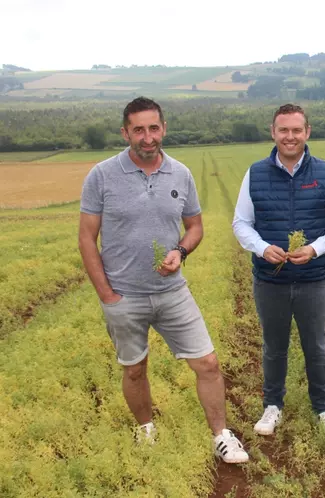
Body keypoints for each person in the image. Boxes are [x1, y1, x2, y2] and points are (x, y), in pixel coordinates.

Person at [78, 97, 248, 463]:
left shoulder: (181, 174)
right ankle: (146, 430)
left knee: (208, 364)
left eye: (153, 127)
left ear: (164, 128)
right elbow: (86, 239)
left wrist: (182, 252)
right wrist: (107, 295)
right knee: (135, 369)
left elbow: (195, 226)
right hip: (125, 296)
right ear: (125, 132)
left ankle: (221, 435)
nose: (147, 136)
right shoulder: (102, 175)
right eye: (138, 129)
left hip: (173, 292)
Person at [232, 103, 325, 436]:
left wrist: (314, 248)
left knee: (316, 346)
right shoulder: (255, 173)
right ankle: (273, 406)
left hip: (314, 280)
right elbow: (241, 223)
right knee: (274, 346)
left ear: (307, 132)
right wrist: (262, 248)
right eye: (283, 130)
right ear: (273, 133)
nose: (290, 136)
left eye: (296, 130)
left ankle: (323, 409)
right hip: (270, 281)